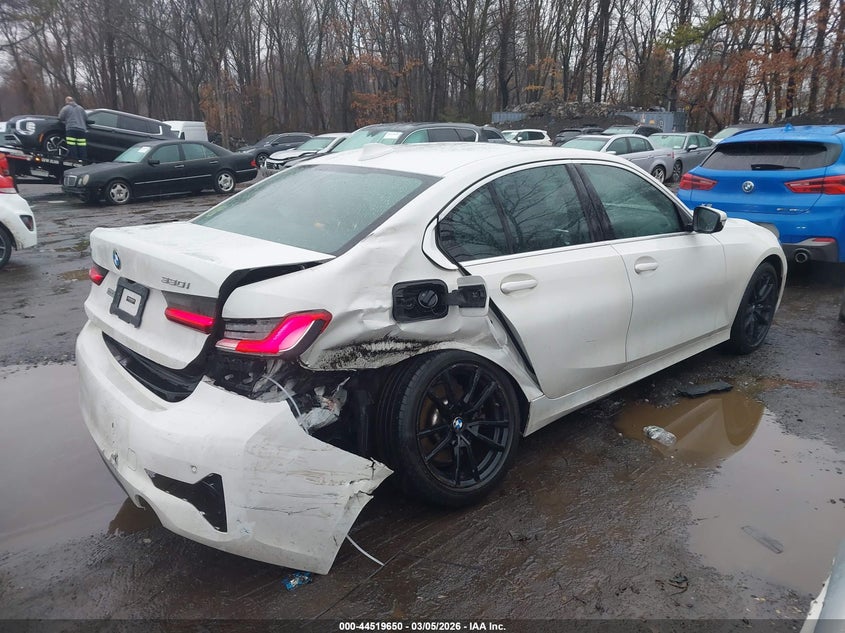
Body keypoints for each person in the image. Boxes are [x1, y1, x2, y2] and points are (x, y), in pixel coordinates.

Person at [58, 96, 88, 161]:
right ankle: (83, 159)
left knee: (72, 145)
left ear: (67, 101)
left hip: (71, 129)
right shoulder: (81, 108)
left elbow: (60, 117)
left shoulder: (65, 108)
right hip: (81, 130)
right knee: (82, 145)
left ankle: (75, 159)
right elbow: (86, 118)